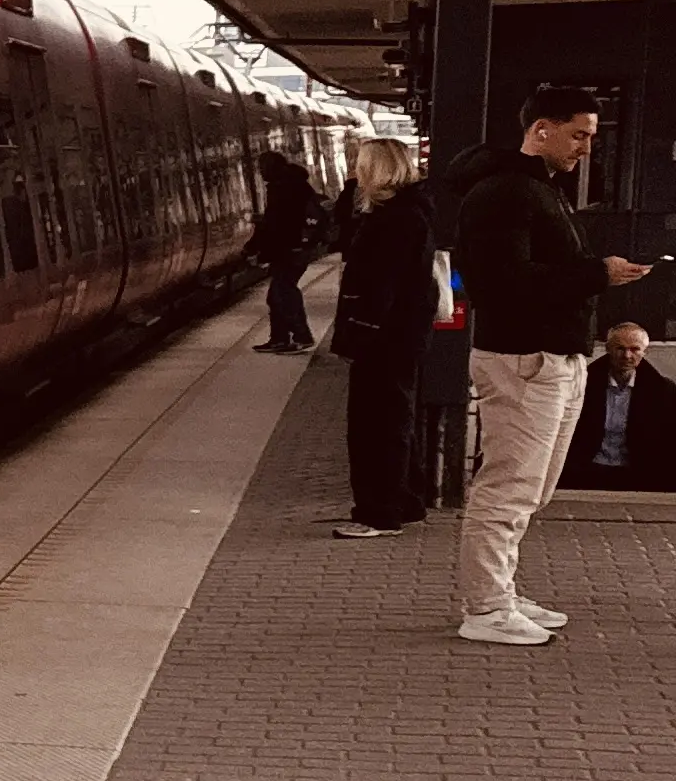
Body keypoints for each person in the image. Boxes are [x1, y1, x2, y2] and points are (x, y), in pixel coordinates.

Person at [448, 85, 656, 643]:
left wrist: (596, 271)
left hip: (553, 358)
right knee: (509, 487)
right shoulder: (503, 193)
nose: (587, 147)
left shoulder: (537, 189)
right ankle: (486, 609)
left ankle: (500, 592)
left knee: (531, 489)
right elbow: (499, 282)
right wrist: (596, 274)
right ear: (541, 129)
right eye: (579, 134)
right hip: (523, 359)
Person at [329, 134, 436, 536]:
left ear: (378, 170)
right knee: (394, 420)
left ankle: (380, 512)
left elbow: (380, 288)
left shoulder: (393, 220)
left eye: (361, 164)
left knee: (377, 426)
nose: (356, 171)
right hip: (400, 337)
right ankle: (406, 502)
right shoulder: (411, 213)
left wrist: (356, 337)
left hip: (384, 340)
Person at [566, 319, 676, 488]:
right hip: (586, 472)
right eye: (620, 348)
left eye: (634, 349)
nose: (627, 356)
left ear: (644, 352)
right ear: (608, 349)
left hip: (638, 475)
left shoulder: (663, 391)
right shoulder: (581, 385)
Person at [251, 146, 323, 351]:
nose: (260, 172)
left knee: (283, 293)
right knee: (277, 294)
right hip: (296, 248)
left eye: (262, 167)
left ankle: (301, 336)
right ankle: (279, 338)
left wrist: (255, 246)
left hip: (290, 249)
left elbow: (277, 223)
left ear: (272, 167)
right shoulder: (295, 184)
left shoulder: (281, 187)